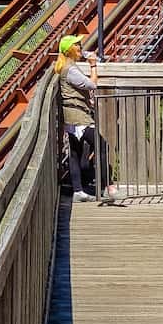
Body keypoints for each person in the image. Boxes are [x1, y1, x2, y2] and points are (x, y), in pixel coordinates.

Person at [55, 35, 119, 202]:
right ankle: (109, 187)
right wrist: (93, 65)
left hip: (71, 115)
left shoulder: (67, 66)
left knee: (75, 152)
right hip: (79, 118)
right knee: (101, 145)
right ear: (70, 50)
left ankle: (78, 191)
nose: (81, 47)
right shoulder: (70, 70)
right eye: (77, 45)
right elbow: (92, 84)